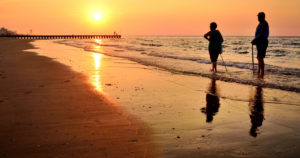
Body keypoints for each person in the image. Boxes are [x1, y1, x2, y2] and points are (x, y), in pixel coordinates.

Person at [251, 12, 269, 76]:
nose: (258, 18)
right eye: (258, 17)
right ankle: (259, 71)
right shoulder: (260, 24)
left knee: (260, 57)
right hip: (259, 42)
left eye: (259, 17)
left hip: (263, 41)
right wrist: (255, 40)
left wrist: (255, 39)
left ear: (262, 17)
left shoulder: (264, 24)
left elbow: (262, 34)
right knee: (259, 57)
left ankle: (262, 73)